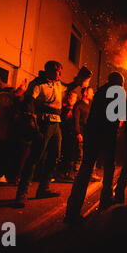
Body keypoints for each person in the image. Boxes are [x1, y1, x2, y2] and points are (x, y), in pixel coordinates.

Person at [14, 62, 91, 208]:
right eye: (57, 71)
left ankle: (44, 188)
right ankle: (22, 193)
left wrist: (80, 79)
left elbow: (69, 86)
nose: (59, 74)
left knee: (54, 156)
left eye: (60, 72)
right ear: (47, 70)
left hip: (56, 124)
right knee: (35, 157)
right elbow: (29, 102)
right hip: (43, 123)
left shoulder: (57, 84)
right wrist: (31, 119)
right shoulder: (37, 84)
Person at [65, 72, 124, 223]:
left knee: (86, 169)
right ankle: (105, 199)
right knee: (107, 167)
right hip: (105, 135)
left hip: (93, 134)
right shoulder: (115, 93)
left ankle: (72, 211)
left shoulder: (100, 92)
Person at [72, 86, 95, 181]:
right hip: (81, 133)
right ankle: (77, 175)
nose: (92, 94)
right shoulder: (78, 105)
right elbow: (75, 120)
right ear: (85, 93)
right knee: (80, 155)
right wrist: (78, 133)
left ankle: (90, 175)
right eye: (91, 92)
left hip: (89, 134)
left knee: (90, 155)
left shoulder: (91, 105)